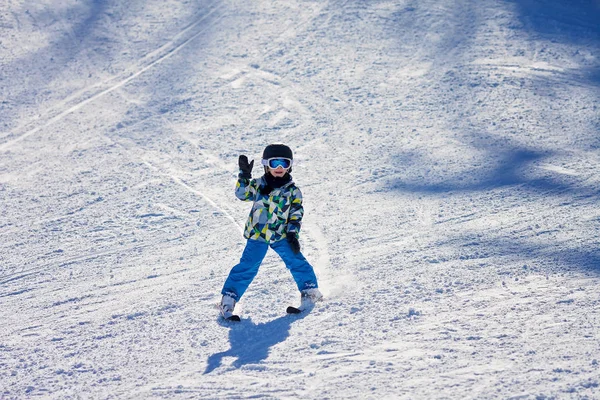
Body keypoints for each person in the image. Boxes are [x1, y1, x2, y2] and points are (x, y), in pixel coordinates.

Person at [219, 144, 322, 319]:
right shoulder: (259, 185)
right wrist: (244, 176)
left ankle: (310, 292)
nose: (280, 168)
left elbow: (296, 213)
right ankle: (229, 300)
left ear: (290, 166)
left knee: (296, 261)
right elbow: (241, 194)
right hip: (258, 235)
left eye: (285, 163)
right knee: (248, 266)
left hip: (281, 235)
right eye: (275, 164)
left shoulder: (293, 191)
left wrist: (292, 234)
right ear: (266, 165)